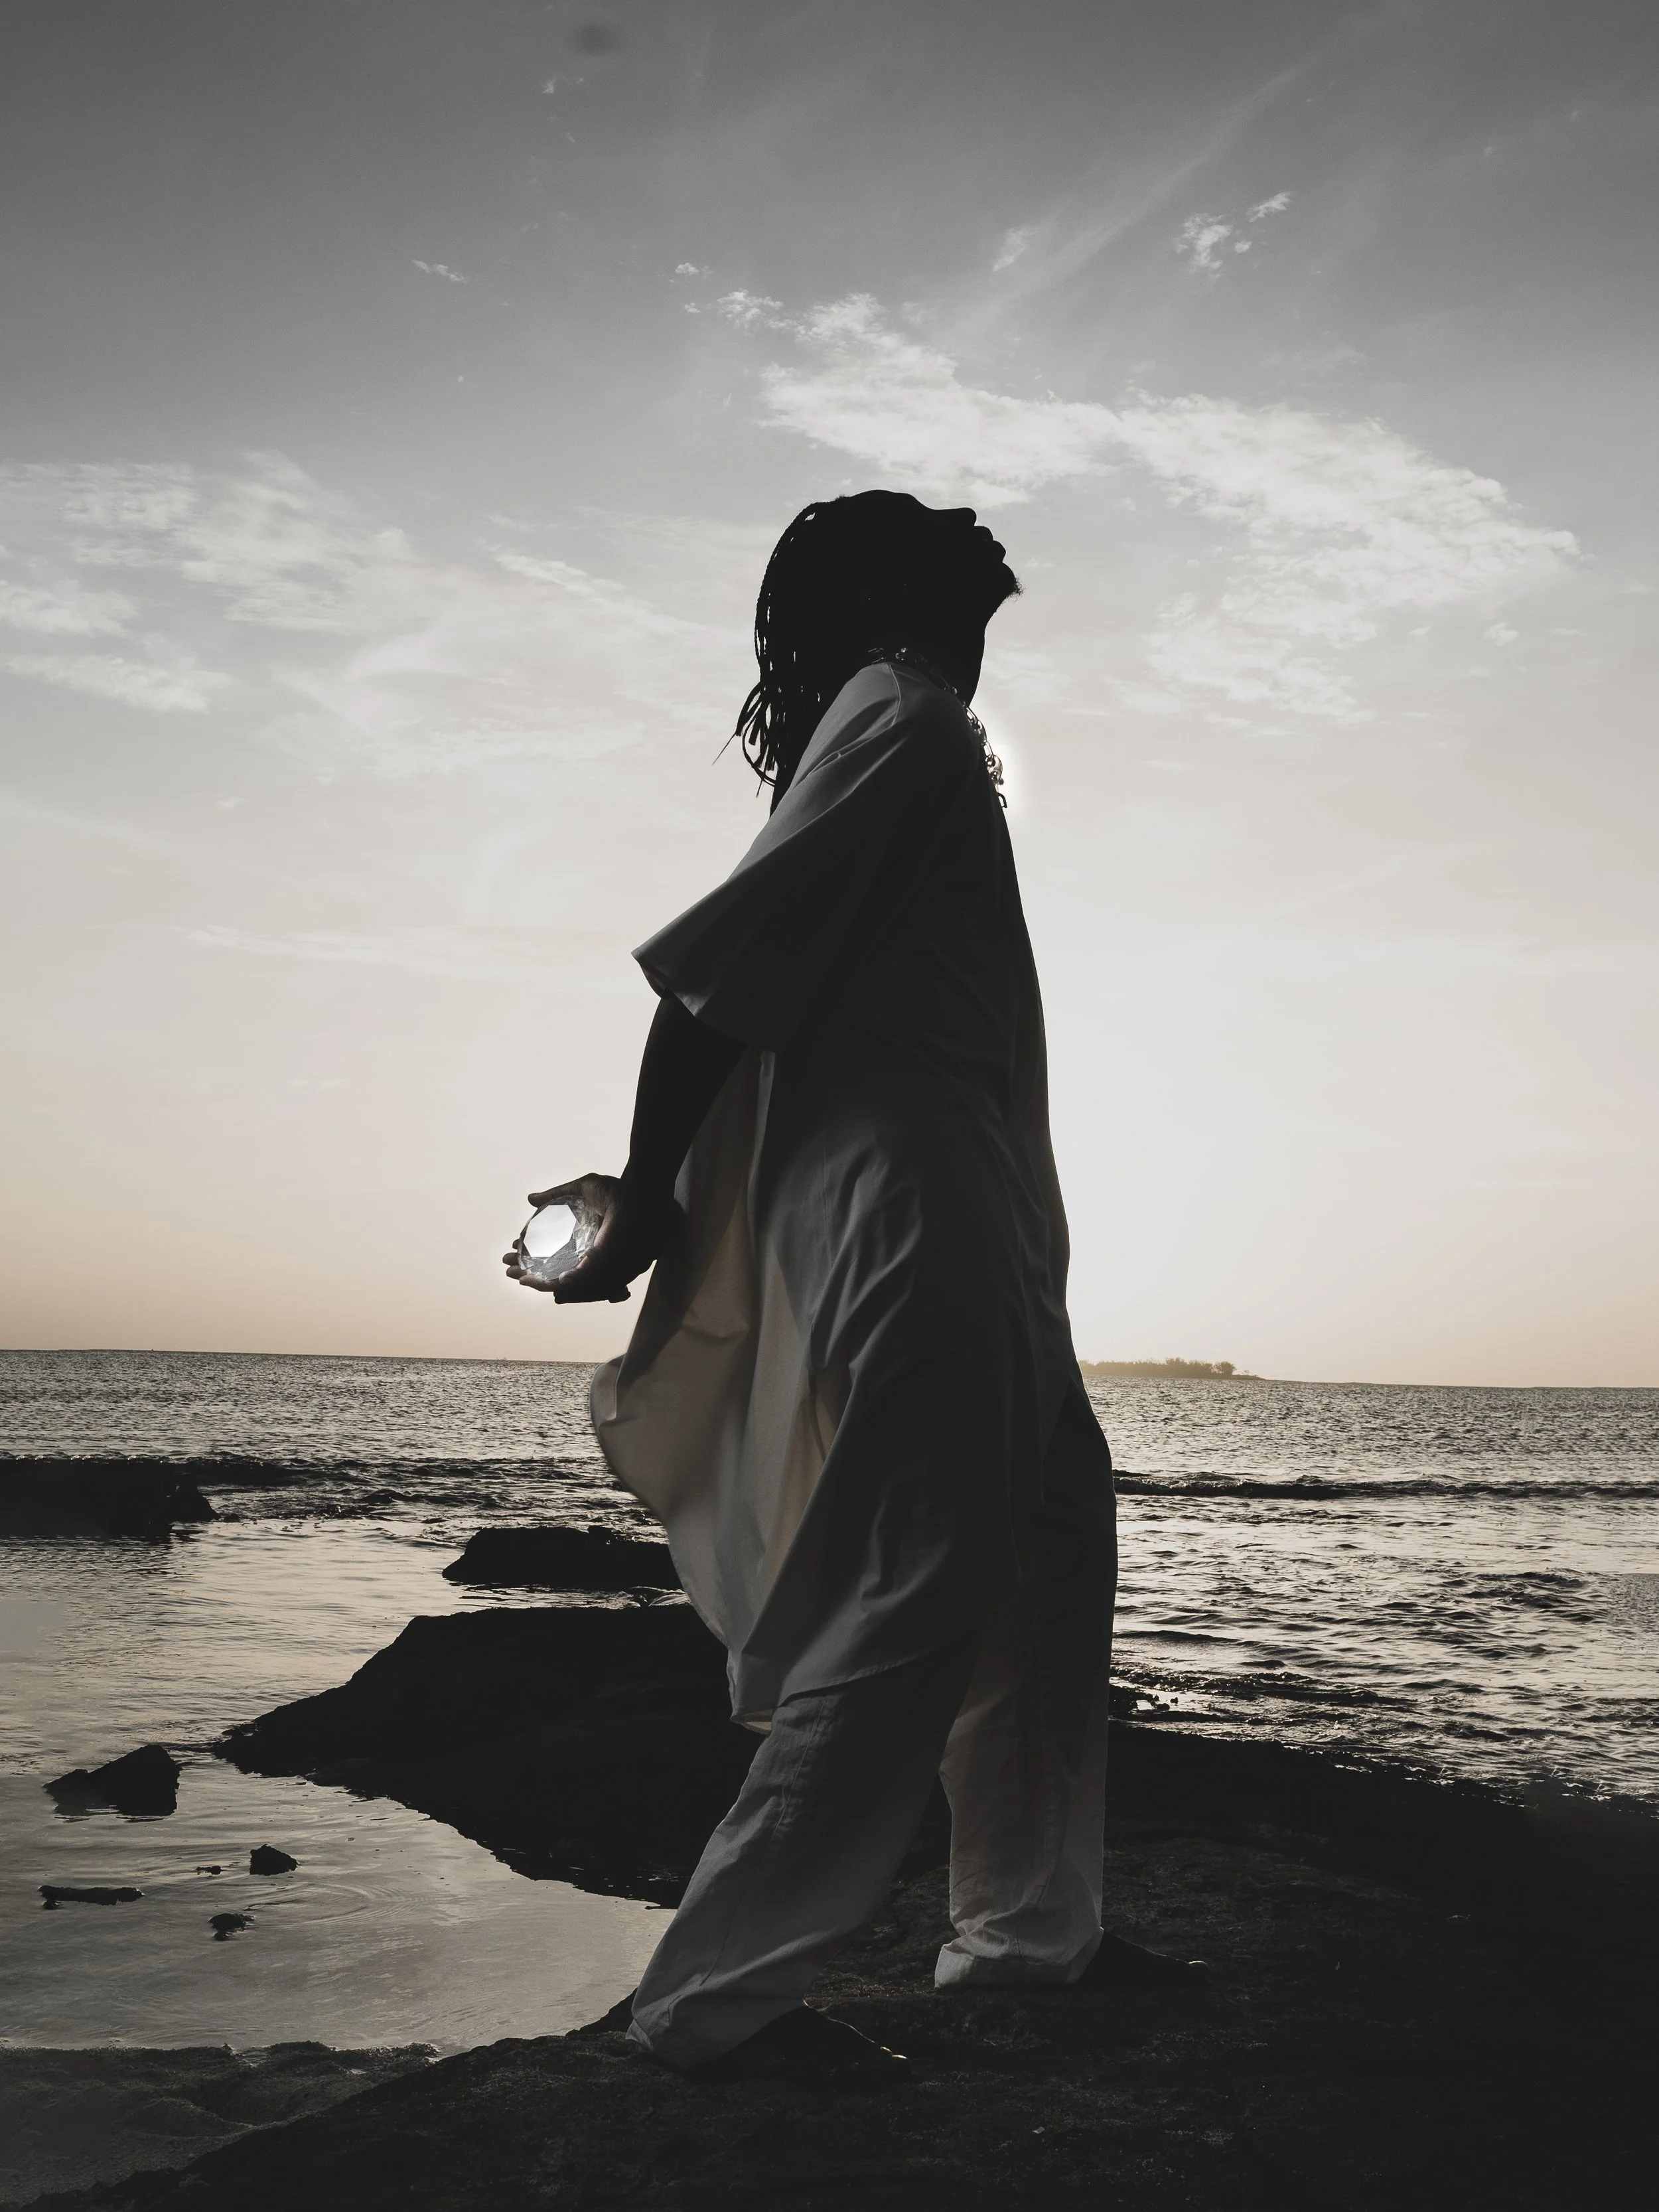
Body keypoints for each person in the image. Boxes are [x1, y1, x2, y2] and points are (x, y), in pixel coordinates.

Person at [506, 490, 1191, 2088]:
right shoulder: (902, 712)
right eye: (926, 515)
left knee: (1048, 1545)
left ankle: (1026, 1934)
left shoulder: (914, 720)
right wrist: (645, 1197)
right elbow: (708, 981)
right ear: (891, 582)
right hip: (911, 1206)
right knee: (924, 1571)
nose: (969, 511)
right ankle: (710, 2003)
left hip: (972, 1206)